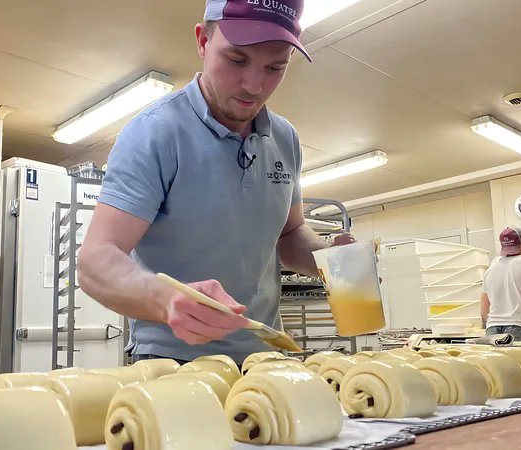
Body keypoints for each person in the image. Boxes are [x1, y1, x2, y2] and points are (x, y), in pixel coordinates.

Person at [78, 0, 354, 365]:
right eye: (237, 60)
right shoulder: (155, 132)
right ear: (203, 42)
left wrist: (334, 259)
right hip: (175, 359)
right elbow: (96, 261)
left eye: (275, 67)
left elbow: (290, 235)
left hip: (267, 355)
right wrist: (165, 300)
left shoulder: (285, 138)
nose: (254, 86)